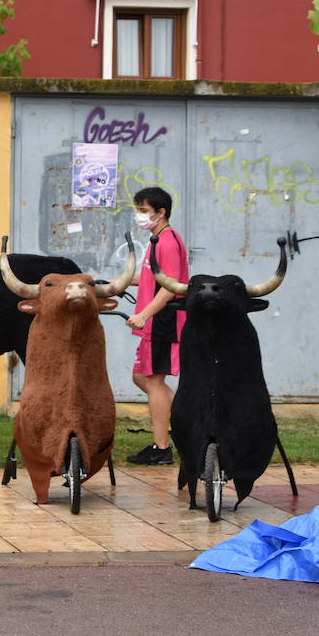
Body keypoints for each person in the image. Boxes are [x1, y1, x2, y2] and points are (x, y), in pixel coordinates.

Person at [124, 186, 189, 466]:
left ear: (161, 213)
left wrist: (144, 315)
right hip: (155, 323)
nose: (139, 216)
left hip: (164, 321)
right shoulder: (156, 239)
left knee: (153, 381)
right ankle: (189, 420)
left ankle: (161, 447)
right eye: (138, 210)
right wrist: (120, 281)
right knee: (142, 378)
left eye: (144, 211)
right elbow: (152, 278)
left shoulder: (167, 242)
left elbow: (170, 287)